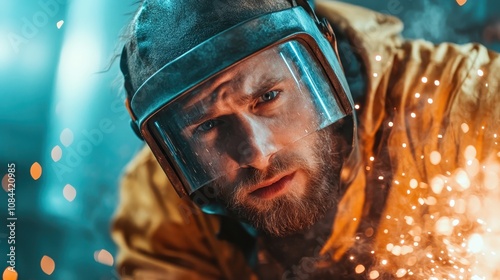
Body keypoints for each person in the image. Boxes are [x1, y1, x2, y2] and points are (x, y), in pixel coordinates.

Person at [112, 0, 500, 279]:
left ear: (324, 59)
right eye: (208, 127)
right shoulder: (159, 207)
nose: (258, 154)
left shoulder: (454, 103)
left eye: (267, 97)